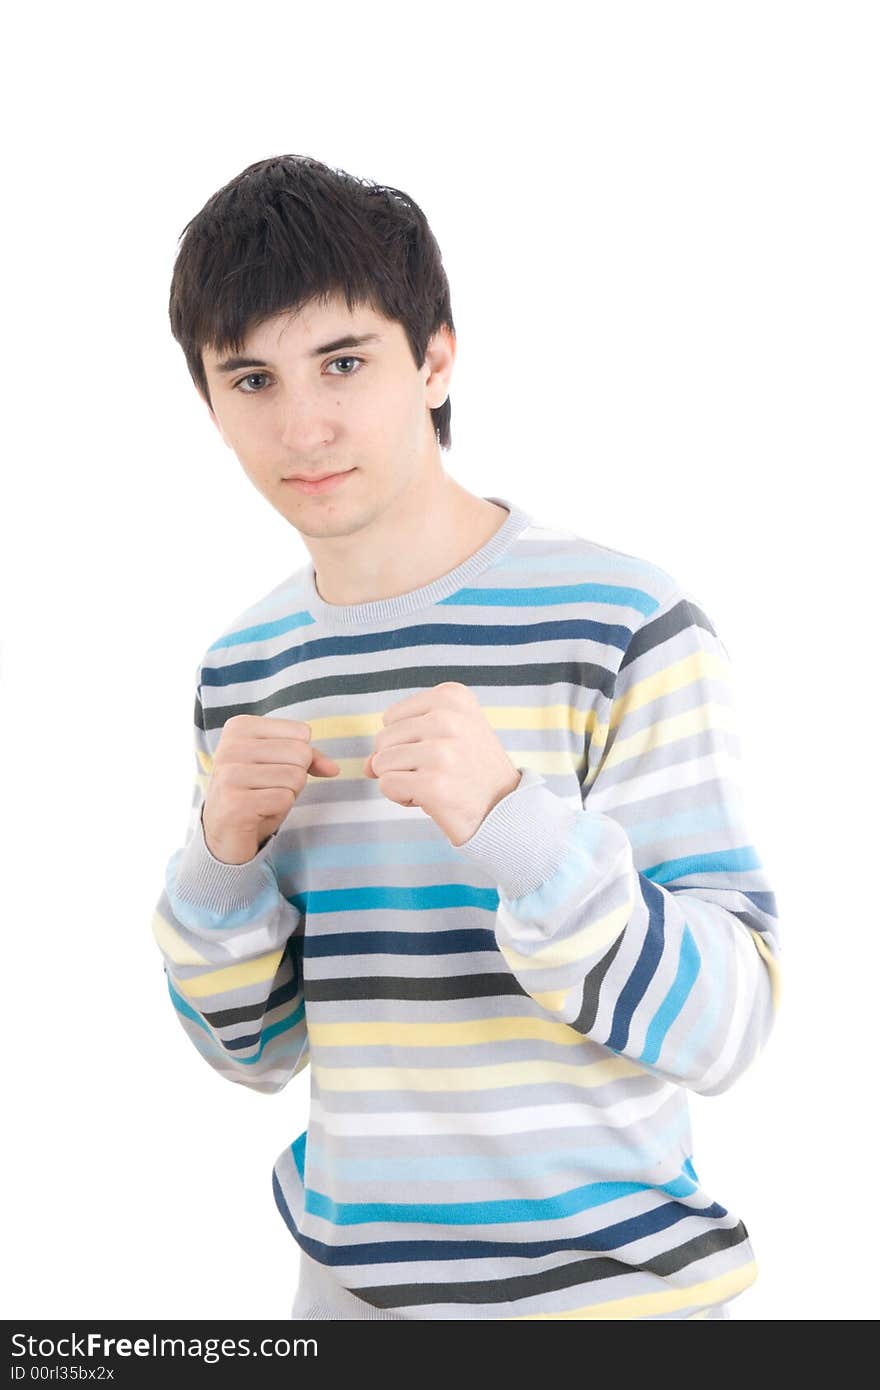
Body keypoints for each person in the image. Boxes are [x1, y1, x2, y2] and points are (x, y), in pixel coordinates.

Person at [151, 154, 782, 1321]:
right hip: (343, 1299)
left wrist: (518, 830)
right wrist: (217, 860)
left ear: (435, 357)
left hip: (610, 1304)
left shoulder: (623, 624)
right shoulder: (244, 670)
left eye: (344, 361)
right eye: (250, 379)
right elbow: (251, 1053)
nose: (303, 424)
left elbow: (729, 1025)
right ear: (210, 401)